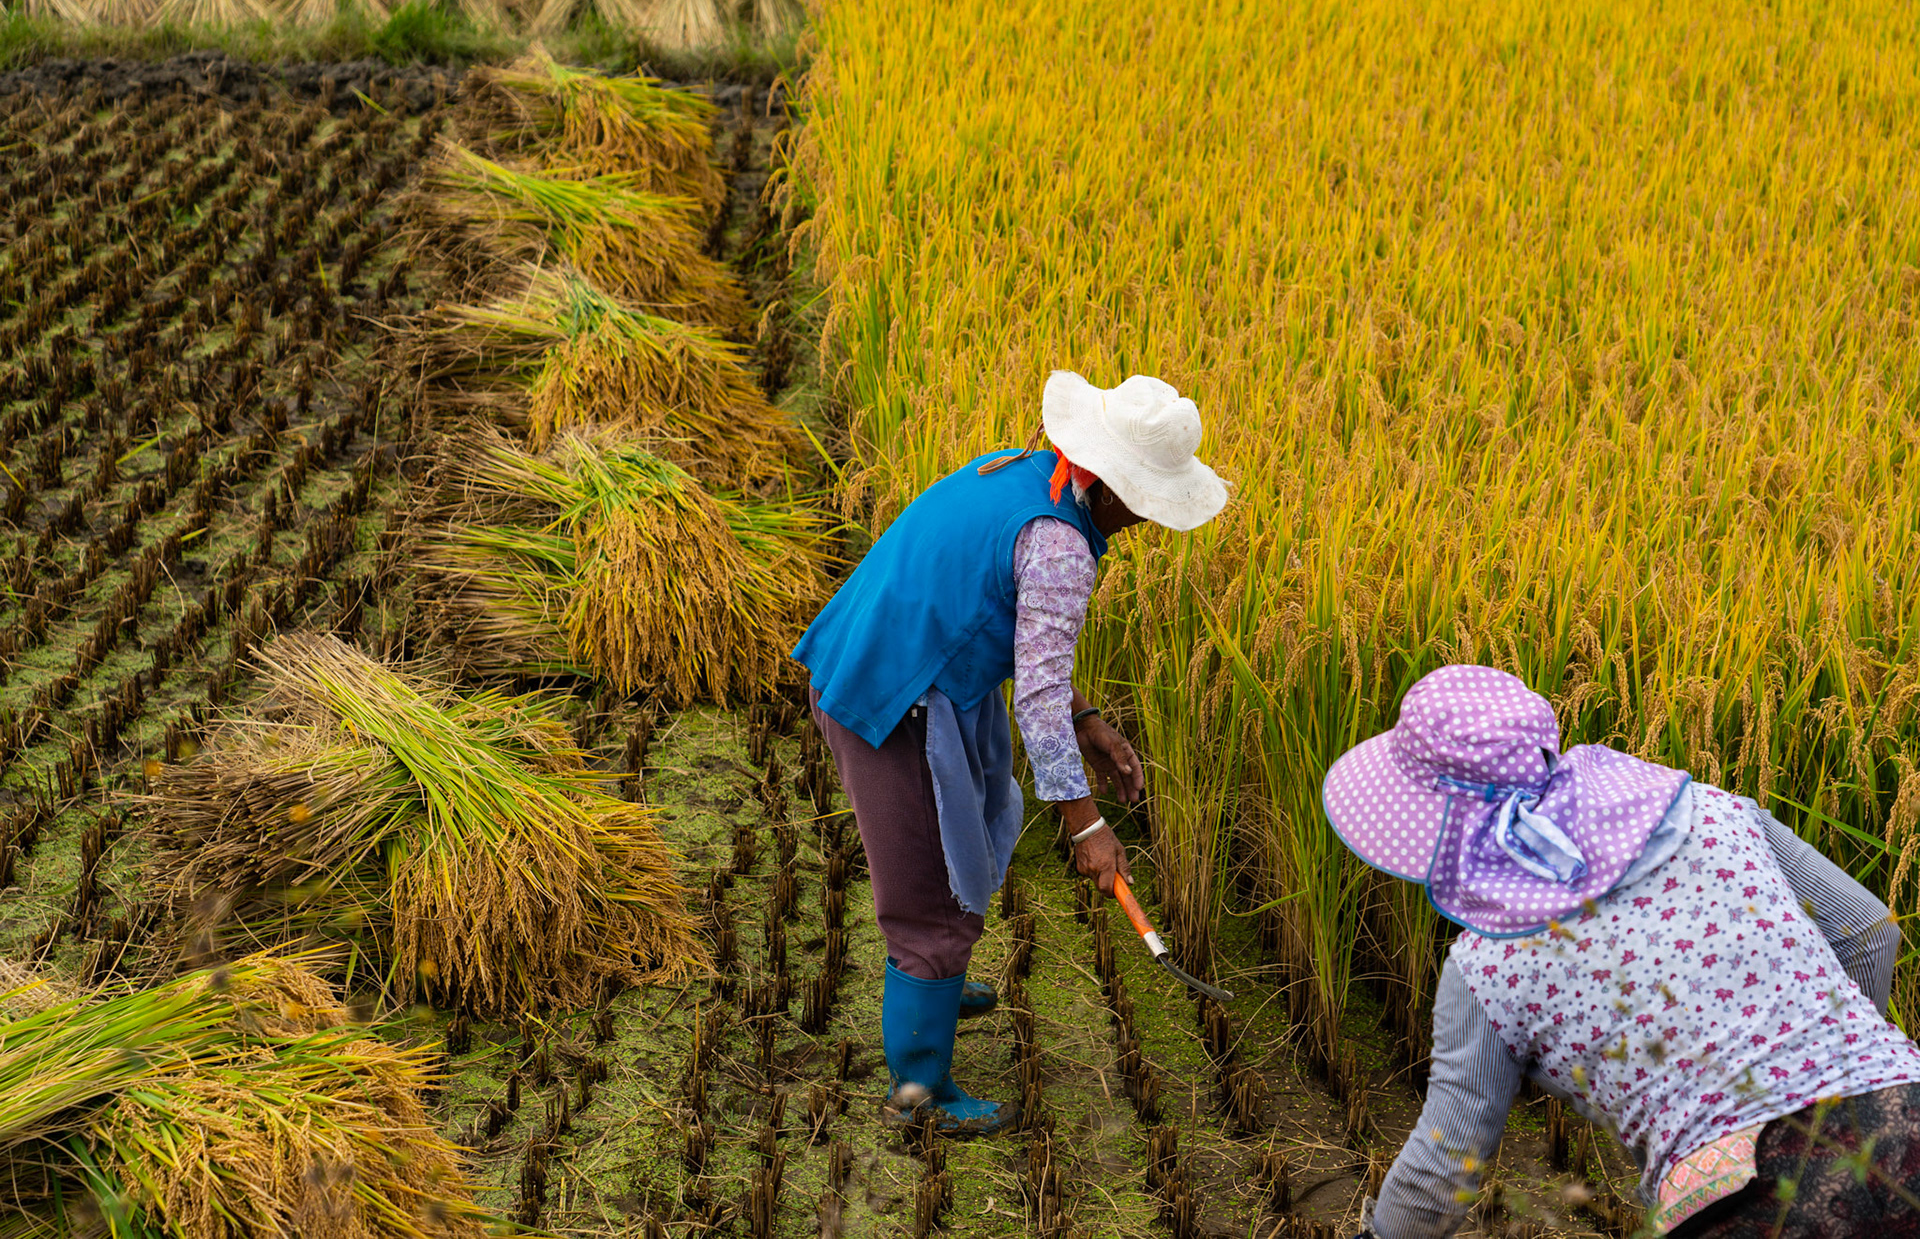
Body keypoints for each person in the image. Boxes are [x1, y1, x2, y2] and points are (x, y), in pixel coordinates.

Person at [1322, 665, 1920, 1238]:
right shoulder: (1713, 814)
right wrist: (1838, 1070)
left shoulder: (1487, 966)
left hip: (1751, 1194)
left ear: (1437, 821)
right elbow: (1869, 930)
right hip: (1906, 1108)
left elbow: (1448, 1162)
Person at [793, 370, 1228, 1137]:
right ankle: (920, 1089)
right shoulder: (1062, 544)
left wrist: (1088, 718)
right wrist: (1088, 827)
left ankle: (933, 987)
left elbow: (1035, 648)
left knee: (966, 840)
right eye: (1151, 502)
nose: (1151, 520)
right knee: (929, 895)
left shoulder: (1019, 471)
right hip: (895, 699)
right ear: (1118, 488)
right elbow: (1034, 697)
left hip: (892, 658)